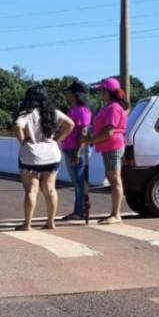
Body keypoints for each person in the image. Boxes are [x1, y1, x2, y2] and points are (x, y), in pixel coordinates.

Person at [13, 85, 75, 231]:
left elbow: (17, 126)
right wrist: (57, 140)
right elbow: (70, 124)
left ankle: (27, 224)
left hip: (31, 155)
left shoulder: (26, 114)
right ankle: (50, 222)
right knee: (50, 189)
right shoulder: (53, 112)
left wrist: (23, 142)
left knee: (31, 190)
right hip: (51, 154)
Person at [82, 77, 129, 225]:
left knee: (114, 179)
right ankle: (114, 213)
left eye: (101, 90)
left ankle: (116, 214)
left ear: (108, 92)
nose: (99, 93)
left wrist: (90, 141)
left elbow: (109, 130)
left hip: (112, 145)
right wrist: (90, 132)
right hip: (107, 146)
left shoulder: (114, 108)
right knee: (113, 178)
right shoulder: (108, 107)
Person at [61, 81, 93, 220]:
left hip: (76, 150)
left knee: (79, 182)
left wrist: (77, 152)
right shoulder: (74, 109)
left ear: (76, 94)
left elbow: (83, 131)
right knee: (76, 182)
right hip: (70, 149)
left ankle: (80, 211)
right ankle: (78, 209)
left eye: (69, 92)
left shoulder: (81, 110)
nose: (67, 95)